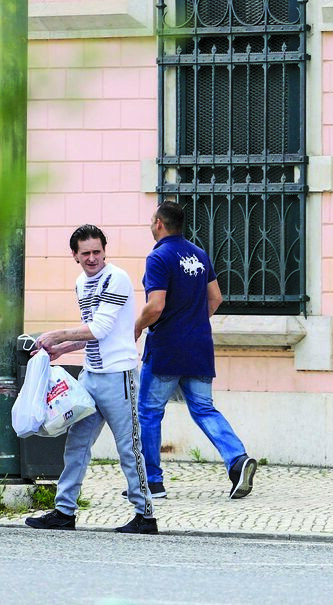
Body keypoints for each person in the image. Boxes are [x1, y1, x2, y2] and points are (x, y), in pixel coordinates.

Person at [26, 225, 157, 534]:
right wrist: (61, 349)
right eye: (85, 253)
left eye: (97, 251)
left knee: (129, 448)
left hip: (118, 377)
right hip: (91, 375)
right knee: (77, 444)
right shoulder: (80, 283)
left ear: (104, 250)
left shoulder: (117, 278)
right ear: (75, 255)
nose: (92, 258)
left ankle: (145, 515)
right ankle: (64, 511)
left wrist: (54, 335)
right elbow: (91, 335)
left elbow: (99, 329)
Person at [134, 200, 257, 499]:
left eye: (152, 220)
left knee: (149, 413)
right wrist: (194, 322)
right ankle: (237, 460)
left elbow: (156, 305)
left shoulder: (159, 257)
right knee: (203, 409)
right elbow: (215, 298)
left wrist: (136, 326)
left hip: (166, 349)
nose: (152, 225)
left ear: (160, 223)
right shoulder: (199, 255)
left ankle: (152, 482)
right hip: (199, 345)